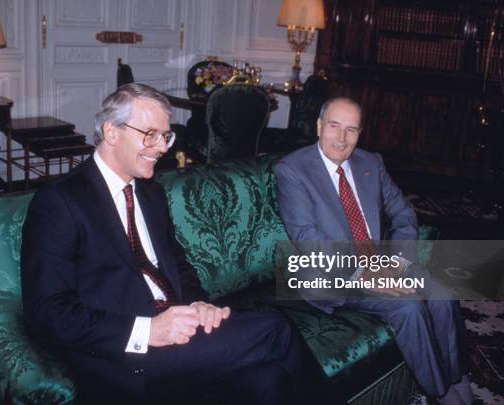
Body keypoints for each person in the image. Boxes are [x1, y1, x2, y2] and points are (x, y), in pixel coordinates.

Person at [21, 83, 324, 405]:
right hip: (123, 357)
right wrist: (146, 331)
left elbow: (177, 265)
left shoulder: (149, 192)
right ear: (111, 132)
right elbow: (47, 313)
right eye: (150, 134)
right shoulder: (60, 202)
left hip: (177, 332)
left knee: (269, 381)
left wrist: (198, 303)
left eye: (167, 135)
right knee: (275, 329)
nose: (162, 147)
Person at [274, 97, 474, 404]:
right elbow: (306, 238)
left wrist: (397, 262)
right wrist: (362, 273)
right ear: (318, 127)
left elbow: (403, 212)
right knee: (410, 308)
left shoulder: (371, 163)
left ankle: (456, 375)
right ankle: (440, 392)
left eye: (351, 130)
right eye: (334, 126)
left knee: (442, 295)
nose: (342, 138)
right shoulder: (292, 170)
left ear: (360, 133)